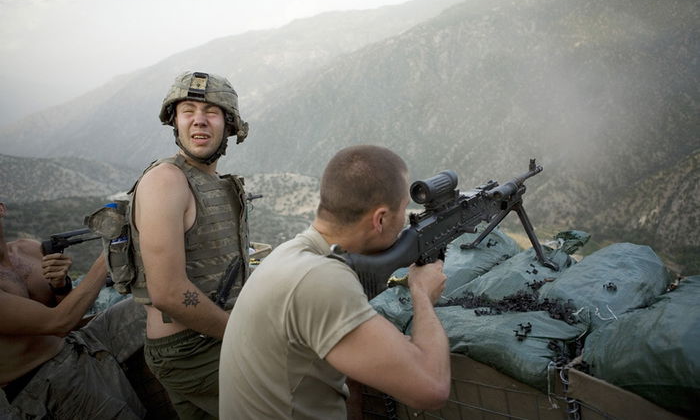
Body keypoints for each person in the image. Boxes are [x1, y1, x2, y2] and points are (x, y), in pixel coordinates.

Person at [219, 145, 451, 419]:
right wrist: (422, 293)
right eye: (404, 211)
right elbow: (431, 388)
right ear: (380, 219)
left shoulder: (292, 252)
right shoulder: (321, 281)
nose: (405, 222)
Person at [130, 71, 250, 419]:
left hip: (203, 339)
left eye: (211, 111)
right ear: (175, 121)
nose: (199, 120)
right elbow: (167, 293)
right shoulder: (167, 180)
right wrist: (245, 336)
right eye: (188, 110)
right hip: (191, 349)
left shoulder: (208, 181)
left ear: (229, 125)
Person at [0, 201, 146, 419]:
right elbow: (59, 322)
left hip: (78, 342)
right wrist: (108, 252)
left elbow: (65, 310)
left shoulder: (28, 249)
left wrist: (61, 287)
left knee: (149, 306)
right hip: (44, 381)